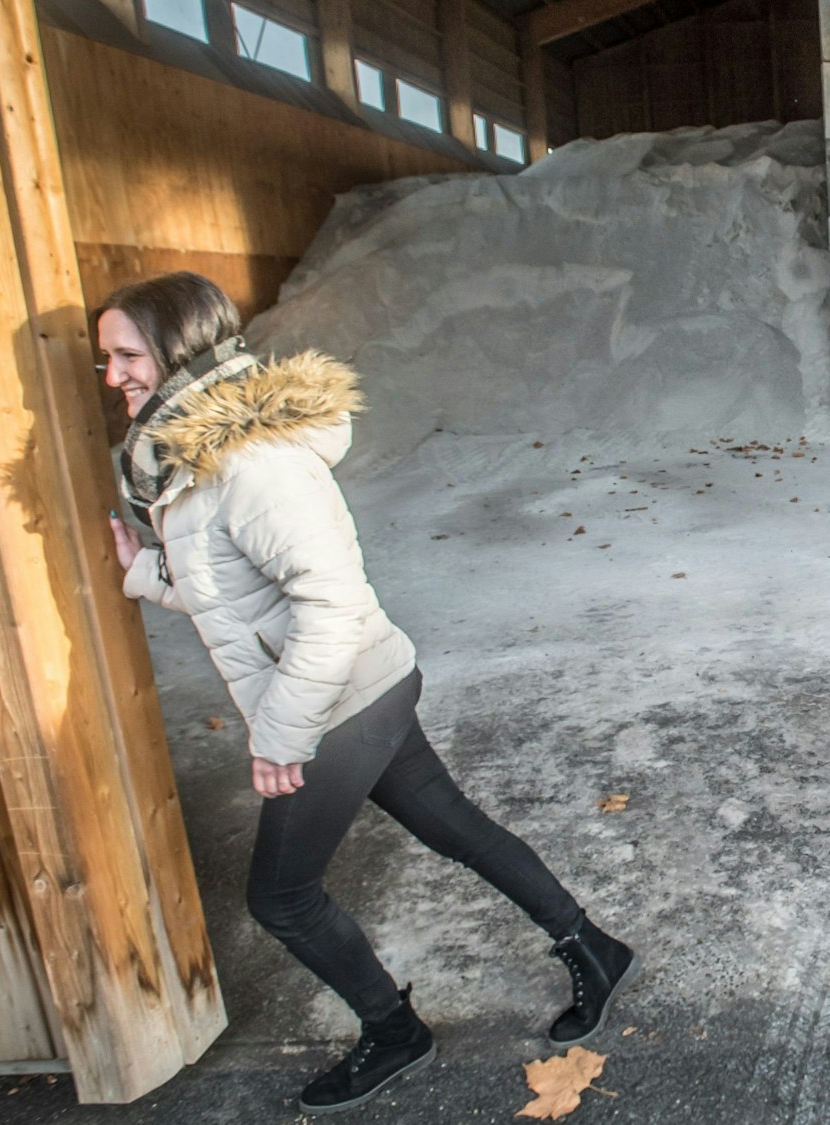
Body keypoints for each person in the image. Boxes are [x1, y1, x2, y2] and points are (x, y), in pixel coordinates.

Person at [99, 272, 641, 1114]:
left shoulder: (253, 463)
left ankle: (394, 1032)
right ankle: (594, 946)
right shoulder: (194, 456)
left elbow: (331, 605)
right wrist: (147, 572)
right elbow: (237, 592)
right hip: (363, 687)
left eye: (127, 353)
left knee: (280, 897)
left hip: (338, 701)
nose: (113, 376)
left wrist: (281, 734)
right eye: (106, 357)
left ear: (178, 350)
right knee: (454, 826)